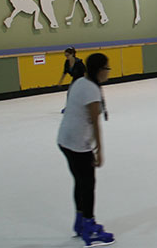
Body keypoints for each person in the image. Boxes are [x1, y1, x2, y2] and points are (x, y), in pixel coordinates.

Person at [57, 53, 114, 246]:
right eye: (107, 68)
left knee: (80, 181)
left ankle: (80, 221)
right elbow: (95, 122)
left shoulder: (80, 82)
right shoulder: (90, 90)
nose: (108, 72)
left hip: (65, 140)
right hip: (77, 143)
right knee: (88, 184)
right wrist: (99, 150)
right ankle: (88, 227)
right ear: (99, 70)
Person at [57, 47, 87, 113]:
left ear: (72, 54)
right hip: (75, 79)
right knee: (69, 93)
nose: (66, 57)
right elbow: (65, 72)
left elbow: (85, 72)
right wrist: (60, 81)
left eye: (67, 55)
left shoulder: (79, 62)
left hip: (82, 79)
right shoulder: (67, 62)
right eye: (65, 55)